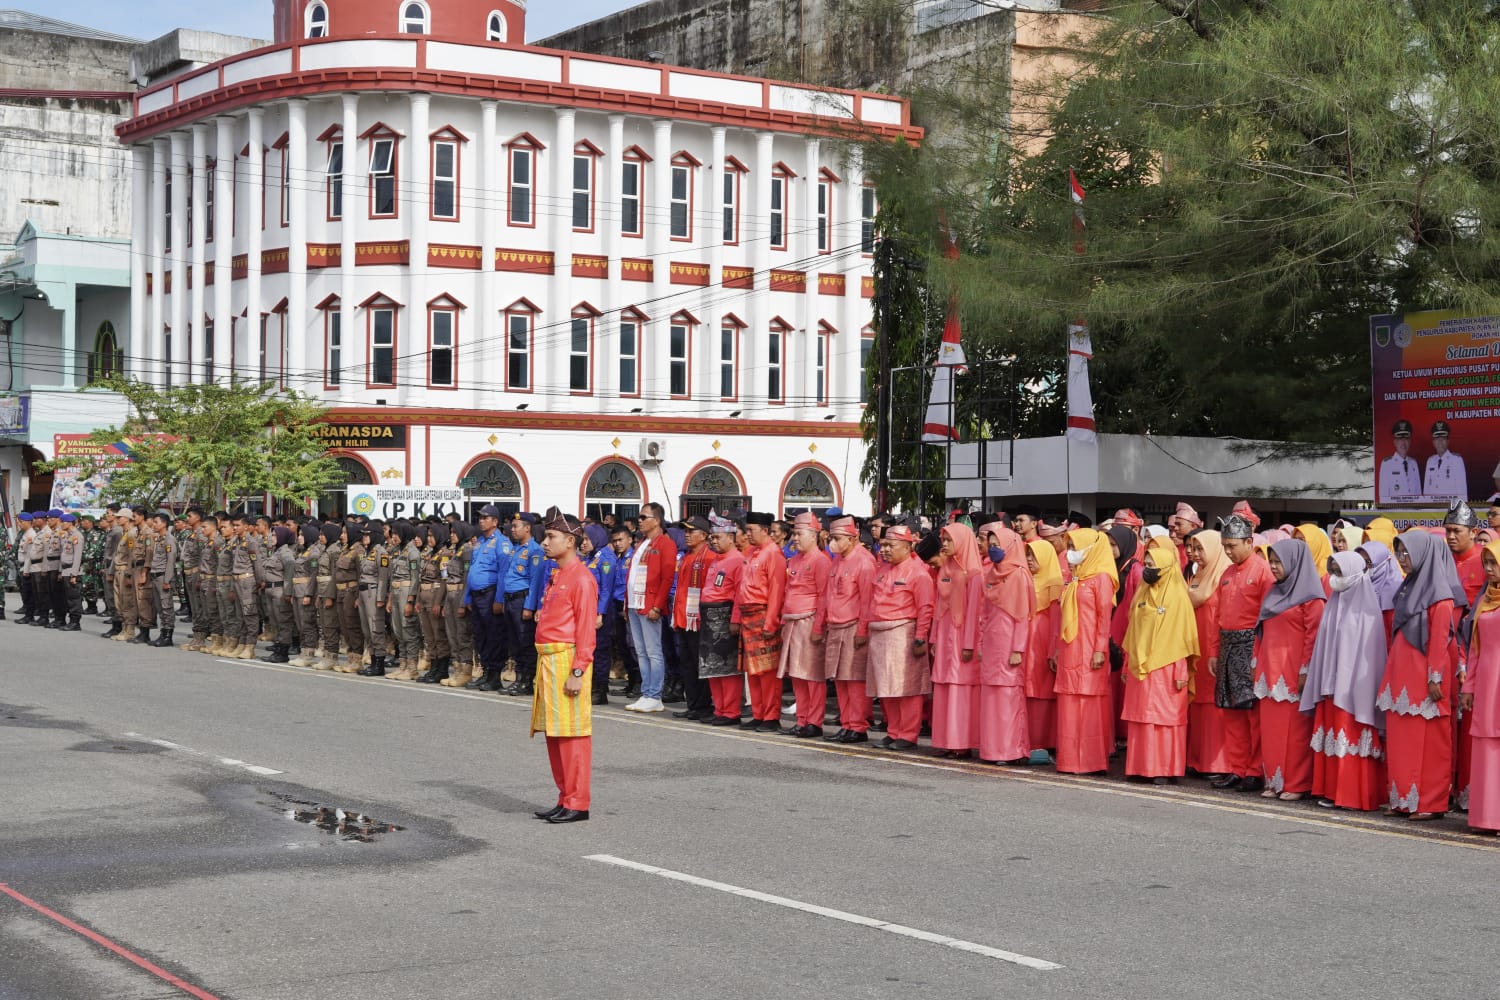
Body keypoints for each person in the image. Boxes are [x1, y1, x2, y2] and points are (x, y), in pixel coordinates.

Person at [1378, 530, 1464, 819]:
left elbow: (1440, 639)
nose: (1403, 559)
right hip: (1401, 673)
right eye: (1400, 553)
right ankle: (1403, 799)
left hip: (1426, 674)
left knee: (1431, 740)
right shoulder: (1407, 588)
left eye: (1408, 553)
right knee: (1403, 737)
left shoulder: (1440, 594)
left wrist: (1435, 676)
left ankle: (1430, 802)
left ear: (1423, 555)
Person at [1301, 551, 1388, 811]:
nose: (1336, 578)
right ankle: (1331, 790)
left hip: (1354, 691)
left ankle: (1352, 795)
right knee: (1333, 737)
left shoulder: (1368, 610)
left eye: (1340, 572)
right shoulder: (1333, 603)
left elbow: (1371, 657)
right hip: (1331, 687)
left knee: (1350, 737)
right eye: (1334, 572)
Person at [530, 508, 599, 825]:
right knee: (555, 733)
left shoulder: (582, 578)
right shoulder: (559, 574)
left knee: (573, 735)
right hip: (549, 660)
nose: (545, 542)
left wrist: (578, 671)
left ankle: (577, 802)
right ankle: (564, 797)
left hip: (567, 660)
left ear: (570, 541)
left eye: (551, 536)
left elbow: (586, 630)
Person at [1255, 539, 1326, 800]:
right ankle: (1274, 781)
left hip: (1294, 670)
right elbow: (1259, 630)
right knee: (1271, 730)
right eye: (1271, 561)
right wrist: (1255, 662)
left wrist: (1305, 670)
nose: (1273, 567)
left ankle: (1295, 783)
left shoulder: (1312, 598)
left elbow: (1313, 637)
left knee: (1295, 732)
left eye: (1278, 562)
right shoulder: (1273, 591)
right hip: (1268, 669)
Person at [1121, 546, 1197, 783]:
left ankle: (1164, 769)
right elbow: (1132, 631)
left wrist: (1181, 672)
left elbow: (1184, 639)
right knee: (1141, 718)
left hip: (1167, 667)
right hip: (1140, 667)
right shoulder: (1142, 593)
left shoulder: (1178, 597)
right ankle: (1140, 768)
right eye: (1147, 564)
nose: (1149, 569)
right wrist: (1127, 664)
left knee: (1165, 720)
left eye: (1153, 565)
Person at [1211, 515, 1274, 792]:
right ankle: (1237, 767)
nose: (1227, 551)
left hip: (1250, 646)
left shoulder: (1263, 572)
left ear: (1249, 542)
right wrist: (1214, 651)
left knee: (1252, 714)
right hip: (1227, 645)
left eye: (1232, 545)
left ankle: (1254, 770)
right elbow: (1218, 616)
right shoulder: (1226, 573)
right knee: (1231, 712)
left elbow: (1266, 620)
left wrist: (1258, 656)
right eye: (1224, 545)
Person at [862, 524, 935, 750]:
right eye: (883, 545)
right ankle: (893, 731)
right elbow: (870, 603)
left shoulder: (918, 572)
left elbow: (925, 608)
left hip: (903, 632)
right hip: (880, 634)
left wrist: (920, 637)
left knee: (907, 687)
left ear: (906, 546)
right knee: (886, 686)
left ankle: (908, 734)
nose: (884, 549)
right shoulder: (882, 570)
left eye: (890, 545)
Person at [1055, 528, 1118, 774]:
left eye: (1075, 547)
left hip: (1090, 650)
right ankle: (1069, 760)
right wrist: (1058, 649)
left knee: (1089, 705)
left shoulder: (1101, 578)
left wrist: (1100, 649)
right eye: (1069, 547)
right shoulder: (1075, 578)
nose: (1071, 552)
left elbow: (1104, 618)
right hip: (1070, 648)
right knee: (1069, 704)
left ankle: (1091, 761)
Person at [975, 522, 1033, 764]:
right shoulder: (991, 574)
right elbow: (984, 613)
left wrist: (1018, 648)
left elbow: (1023, 616)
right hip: (991, 643)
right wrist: (981, 643)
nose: (993, 549)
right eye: (991, 545)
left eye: (997, 545)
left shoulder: (1019, 575)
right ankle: (991, 750)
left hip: (1010, 645)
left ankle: (1012, 750)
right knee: (991, 698)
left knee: (1008, 698)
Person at [930, 522, 985, 758]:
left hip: (962, 636)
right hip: (945, 634)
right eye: (943, 540)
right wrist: (934, 637)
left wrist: (969, 644)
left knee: (959, 688)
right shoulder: (946, 568)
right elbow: (938, 605)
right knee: (944, 685)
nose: (944, 544)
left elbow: (974, 612)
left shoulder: (974, 574)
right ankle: (945, 740)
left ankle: (961, 742)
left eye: (949, 540)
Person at [820, 515, 877, 743]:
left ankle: (858, 726)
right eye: (831, 538)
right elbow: (827, 595)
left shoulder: (864, 562)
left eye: (837, 538)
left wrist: (862, 630)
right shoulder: (838, 560)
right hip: (835, 627)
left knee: (854, 680)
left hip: (853, 627)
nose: (833, 542)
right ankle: (847, 723)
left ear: (852, 538)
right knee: (840, 679)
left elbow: (867, 601)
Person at [1185, 529, 1233, 778]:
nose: (1195, 554)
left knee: (1214, 704)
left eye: (1200, 549)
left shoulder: (1223, 577)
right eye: (1193, 548)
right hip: (1195, 647)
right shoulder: (1197, 577)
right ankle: (1195, 759)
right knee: (1197, 701)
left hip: (1214, 648)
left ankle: (1216, 763)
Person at [779, 512, 832, 737]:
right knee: (797, 674)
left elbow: (824, 597)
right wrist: (783, 621)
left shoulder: (821, 561)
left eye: (799, 534)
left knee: (812, 675)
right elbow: (788, 591)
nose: (795, 538)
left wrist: (818, 627)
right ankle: (802, 719)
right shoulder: (794, 560)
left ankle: (814, 721)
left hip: (809, 621)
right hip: (792, 621)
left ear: (813, 535)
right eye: (794, 534)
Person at [624, 502, 677, 713]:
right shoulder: (642, 543)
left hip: (649, 604)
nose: (640, 520)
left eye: (644, 517)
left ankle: (654, 694)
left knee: (653, 651)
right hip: (634, 603)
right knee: (641, 651)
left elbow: (667, 578)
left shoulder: (666, 544)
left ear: (657, 521)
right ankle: (646, 692)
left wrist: (657, 605)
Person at [1462, 539, 1500, 834]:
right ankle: (1485, 817)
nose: (1488, 568)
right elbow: (1475, 648)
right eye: (1486, 563)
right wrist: (1469, 687)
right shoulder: (1485, 599)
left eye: (1494, 563)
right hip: (1487, 681)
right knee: (1486, 741)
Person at [736, 512, 786, 730]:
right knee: (753, 670)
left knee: (767, 671)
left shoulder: (773, 554)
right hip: (747, 615)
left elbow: (776, 591)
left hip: (763, 614)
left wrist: (771, 622)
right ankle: (758, 713)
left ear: (765, 531)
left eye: (751, 530)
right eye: (746, 530)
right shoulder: (751, 552)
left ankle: (771, 716)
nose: (747, 534)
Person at [699, 512, 745, 726]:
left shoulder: (737, 560)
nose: (714, 541)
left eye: (718, 537)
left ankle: (731, 711)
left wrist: (735, 619)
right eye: (712, 538)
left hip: (725, 617)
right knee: (712, 666)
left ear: (731, 537)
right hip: (709, 616)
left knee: (727, 667)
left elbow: (739, 593)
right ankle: (719, 709)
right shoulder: (716, 560)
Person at [465, 505, 513, 692]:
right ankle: (485, 672)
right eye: (480, 518)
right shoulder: (480, 542)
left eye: (485, 518)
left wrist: (499, 599)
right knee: (481, 636)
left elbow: (503, 573)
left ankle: (494, 675)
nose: (481, 521)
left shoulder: (502, 543)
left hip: (490, 594)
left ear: (495, 521)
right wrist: (467, 597)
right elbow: (472, 570)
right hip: (477, 595)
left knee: (494, 636)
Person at [1025, 539, 1064, 758]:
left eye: (1034, 555)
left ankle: (1045, 741)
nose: (1029, 559)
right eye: (1028, 555)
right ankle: (1028, 739)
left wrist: (1053, 649)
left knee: (1042, 690)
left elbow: (1056, 620)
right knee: (1028, 689)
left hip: (1043, 639)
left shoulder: (1054, 583)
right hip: (1027, 638)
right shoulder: (1025, 579)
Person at [503, 513, 545, 696]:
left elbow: (536, 581)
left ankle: (526, 681)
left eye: (516, 526)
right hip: (510, 599)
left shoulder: (535, 550)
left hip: (522, 599)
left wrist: (529, 606)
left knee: (525, 641)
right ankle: (519, 678)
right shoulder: (515, 549)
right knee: (514, 642)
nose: (512, 530)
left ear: (527, 528)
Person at [580, 524, 618, 705]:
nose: (583, 543)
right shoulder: (590, 557)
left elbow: (606, 589)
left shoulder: (606, 558)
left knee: (600, 650)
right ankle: (590, 685)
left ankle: (600, 689)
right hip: (587, 609)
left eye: (587, 539)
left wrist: (600, 613)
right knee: (588, 648)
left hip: (600, 611)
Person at [1379, 419, 1422, 501]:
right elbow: (1383, 496)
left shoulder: (1414, 463)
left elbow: (1418, 493)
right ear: (1395, 442)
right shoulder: (1387, 464)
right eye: (1400, 439)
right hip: (1395, 509)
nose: (1403, 443)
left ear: (1410, 441)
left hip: (1413, 508)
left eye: (1406, 439)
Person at [1424, 420, 1468, 501]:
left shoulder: (1456, 460)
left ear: (1448, 441)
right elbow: (1426, 490)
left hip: (1450, 507)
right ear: (1433, 442)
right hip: (1432, 507)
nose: (1440, 442)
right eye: (1437, 438)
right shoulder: (1430, 461)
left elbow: (1462, 492)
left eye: (1443, 438)